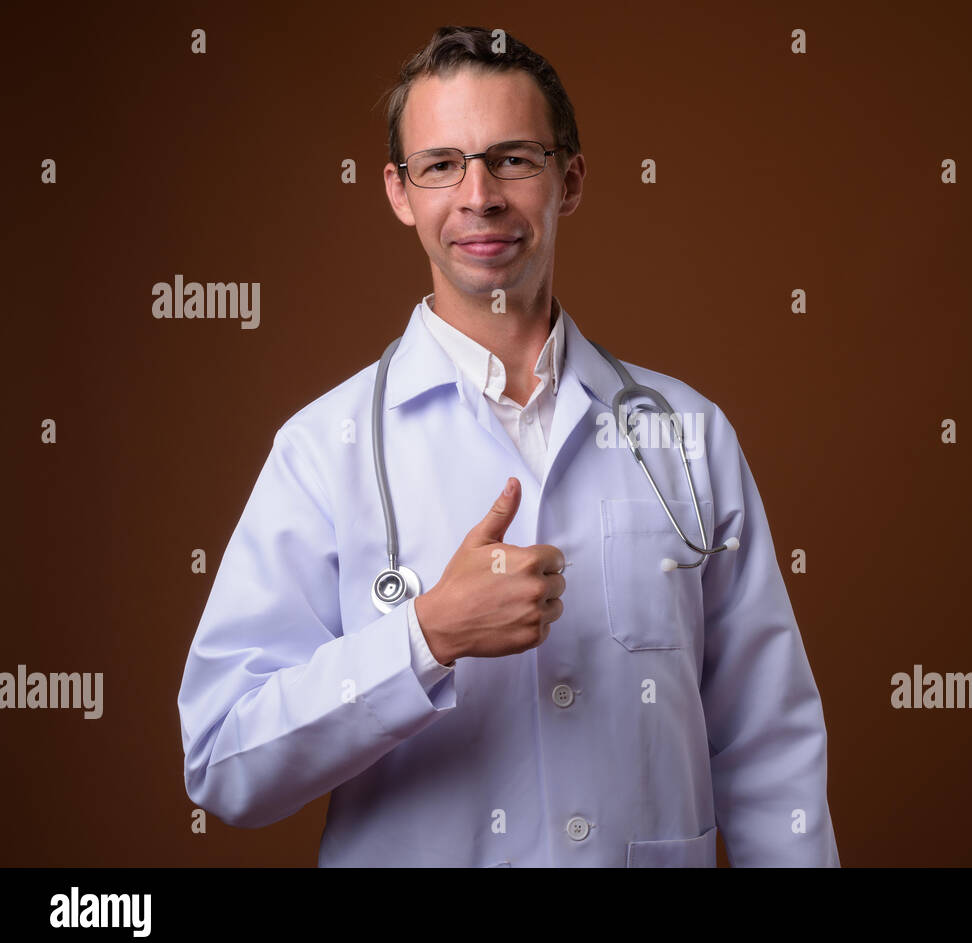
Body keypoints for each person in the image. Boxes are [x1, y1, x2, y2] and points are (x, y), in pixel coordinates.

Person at [177, 25, 839, 867]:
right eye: (441, 163)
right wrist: (425, 637)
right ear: (398, 191)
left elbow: (769, 743)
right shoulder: (324, 449)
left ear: (570, 180)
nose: (479, 194)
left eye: (514, 159)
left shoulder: (686, 434)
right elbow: (225, 761)